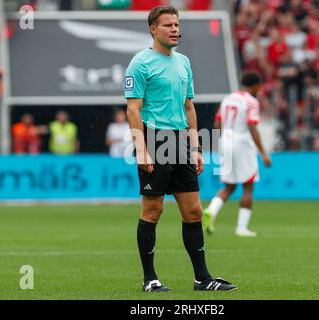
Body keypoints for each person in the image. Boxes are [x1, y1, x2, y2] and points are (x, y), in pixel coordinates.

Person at [125, 6, 237, 292]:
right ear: (153, 29)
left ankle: (203, 279)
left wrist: (196, 147)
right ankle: (149, 279)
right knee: (153, 211)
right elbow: (133, 109)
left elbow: (189, 106)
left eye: (177, 24)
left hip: (181, 143)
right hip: (154, 139)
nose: (175, 29)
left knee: (194, 212)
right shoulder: (140, 64)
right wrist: (141, 147)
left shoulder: (183, 62)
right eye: (168, 25)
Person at [203, 72, 272, 237]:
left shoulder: (228, 98)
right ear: (255, 85)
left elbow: (217, 122)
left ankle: (211, 211)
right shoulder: (251, 101)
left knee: (229, 186)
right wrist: (263, 153)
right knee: (248, 186)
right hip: (242, 143)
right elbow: (252, 127)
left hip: (225, 142)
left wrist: (222, 142)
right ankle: (241, 228)